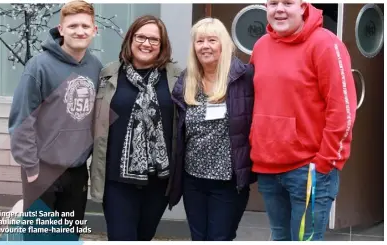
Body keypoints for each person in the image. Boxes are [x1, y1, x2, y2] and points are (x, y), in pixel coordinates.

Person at [249, 0, 357, 241]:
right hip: (268, 168)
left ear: (303, 6)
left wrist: (324, 163)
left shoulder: (326, 44)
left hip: (309, 170)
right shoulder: (261, 46)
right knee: (280, 237)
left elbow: (342, 109)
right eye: (273, 3)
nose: (279, 9)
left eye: (287, 3)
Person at [8, 0, 102, 241]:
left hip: (77, 171)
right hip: (42, 170)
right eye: (72, 26)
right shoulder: (39, 66)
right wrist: (31, 169)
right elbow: (21, 119)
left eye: (85, 25)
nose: (79, 31)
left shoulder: (95, 67)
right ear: (61, 30)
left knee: (68, 237)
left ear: (94, 30)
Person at [89, 15, 182, 241]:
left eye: (154, 39)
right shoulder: (108, 74)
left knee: (144, 237)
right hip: (116, 180)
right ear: (130, 39)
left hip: (158, 181)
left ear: (162, 45)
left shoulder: (177, 77)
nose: (146, 44)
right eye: (141, 37)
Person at [169, 17, 255, 241]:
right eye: (200, 41)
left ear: (223, 45)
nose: (205, 46)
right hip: (193, 179)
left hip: (227, 182)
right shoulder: (187, 80)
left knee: (220, 237)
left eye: (212, 40)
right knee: (198, 237)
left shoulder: (243, 78)